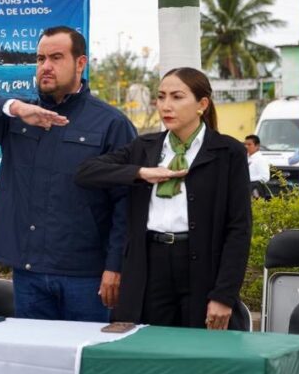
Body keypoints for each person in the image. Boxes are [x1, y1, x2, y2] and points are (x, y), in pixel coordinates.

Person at [0, 26, 136, 322]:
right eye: (40, 59)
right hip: (29, 275)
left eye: (56, 58)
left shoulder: (111, 124)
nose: (45, 66)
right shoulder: (19, 116)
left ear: (80, 63)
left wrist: (115, 266)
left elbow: (126, 204)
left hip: (86, 277)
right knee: (35, 351)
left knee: (87, 351)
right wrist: (14, 107)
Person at [75, 67, 252, 330]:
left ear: (202, 104)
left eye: (177, 97)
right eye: (161, 97)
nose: (166, 106)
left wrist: (224, 295)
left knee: (199, 345)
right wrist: (141, 173)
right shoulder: (144, 147)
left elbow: (239, 228)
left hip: (200, 265)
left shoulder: (228, 152)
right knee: (148, 344)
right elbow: (85, 172)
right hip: (150, 263)